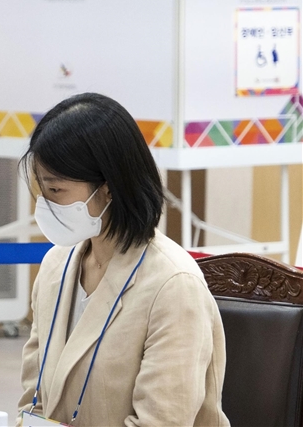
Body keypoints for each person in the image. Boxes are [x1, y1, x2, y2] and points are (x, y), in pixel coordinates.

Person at [17, 93, 229, 426]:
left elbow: (161, 421)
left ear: (109, 188)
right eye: (42, 191)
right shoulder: (56, 266)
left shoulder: (173, 286)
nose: (45, 205)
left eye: (56, 191)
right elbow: (33, 402)